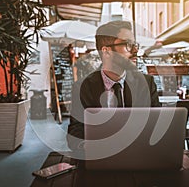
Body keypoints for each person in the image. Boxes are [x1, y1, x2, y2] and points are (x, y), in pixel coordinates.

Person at [67, 20, 161, 151]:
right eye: (128, 44)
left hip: (139, 156)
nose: (135, 50)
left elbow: (158, 125)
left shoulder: (146, 83)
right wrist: (91, 148)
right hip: (101, 158)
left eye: (135, 44)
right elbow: (75, 134)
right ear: (106, 51)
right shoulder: (82, 87)